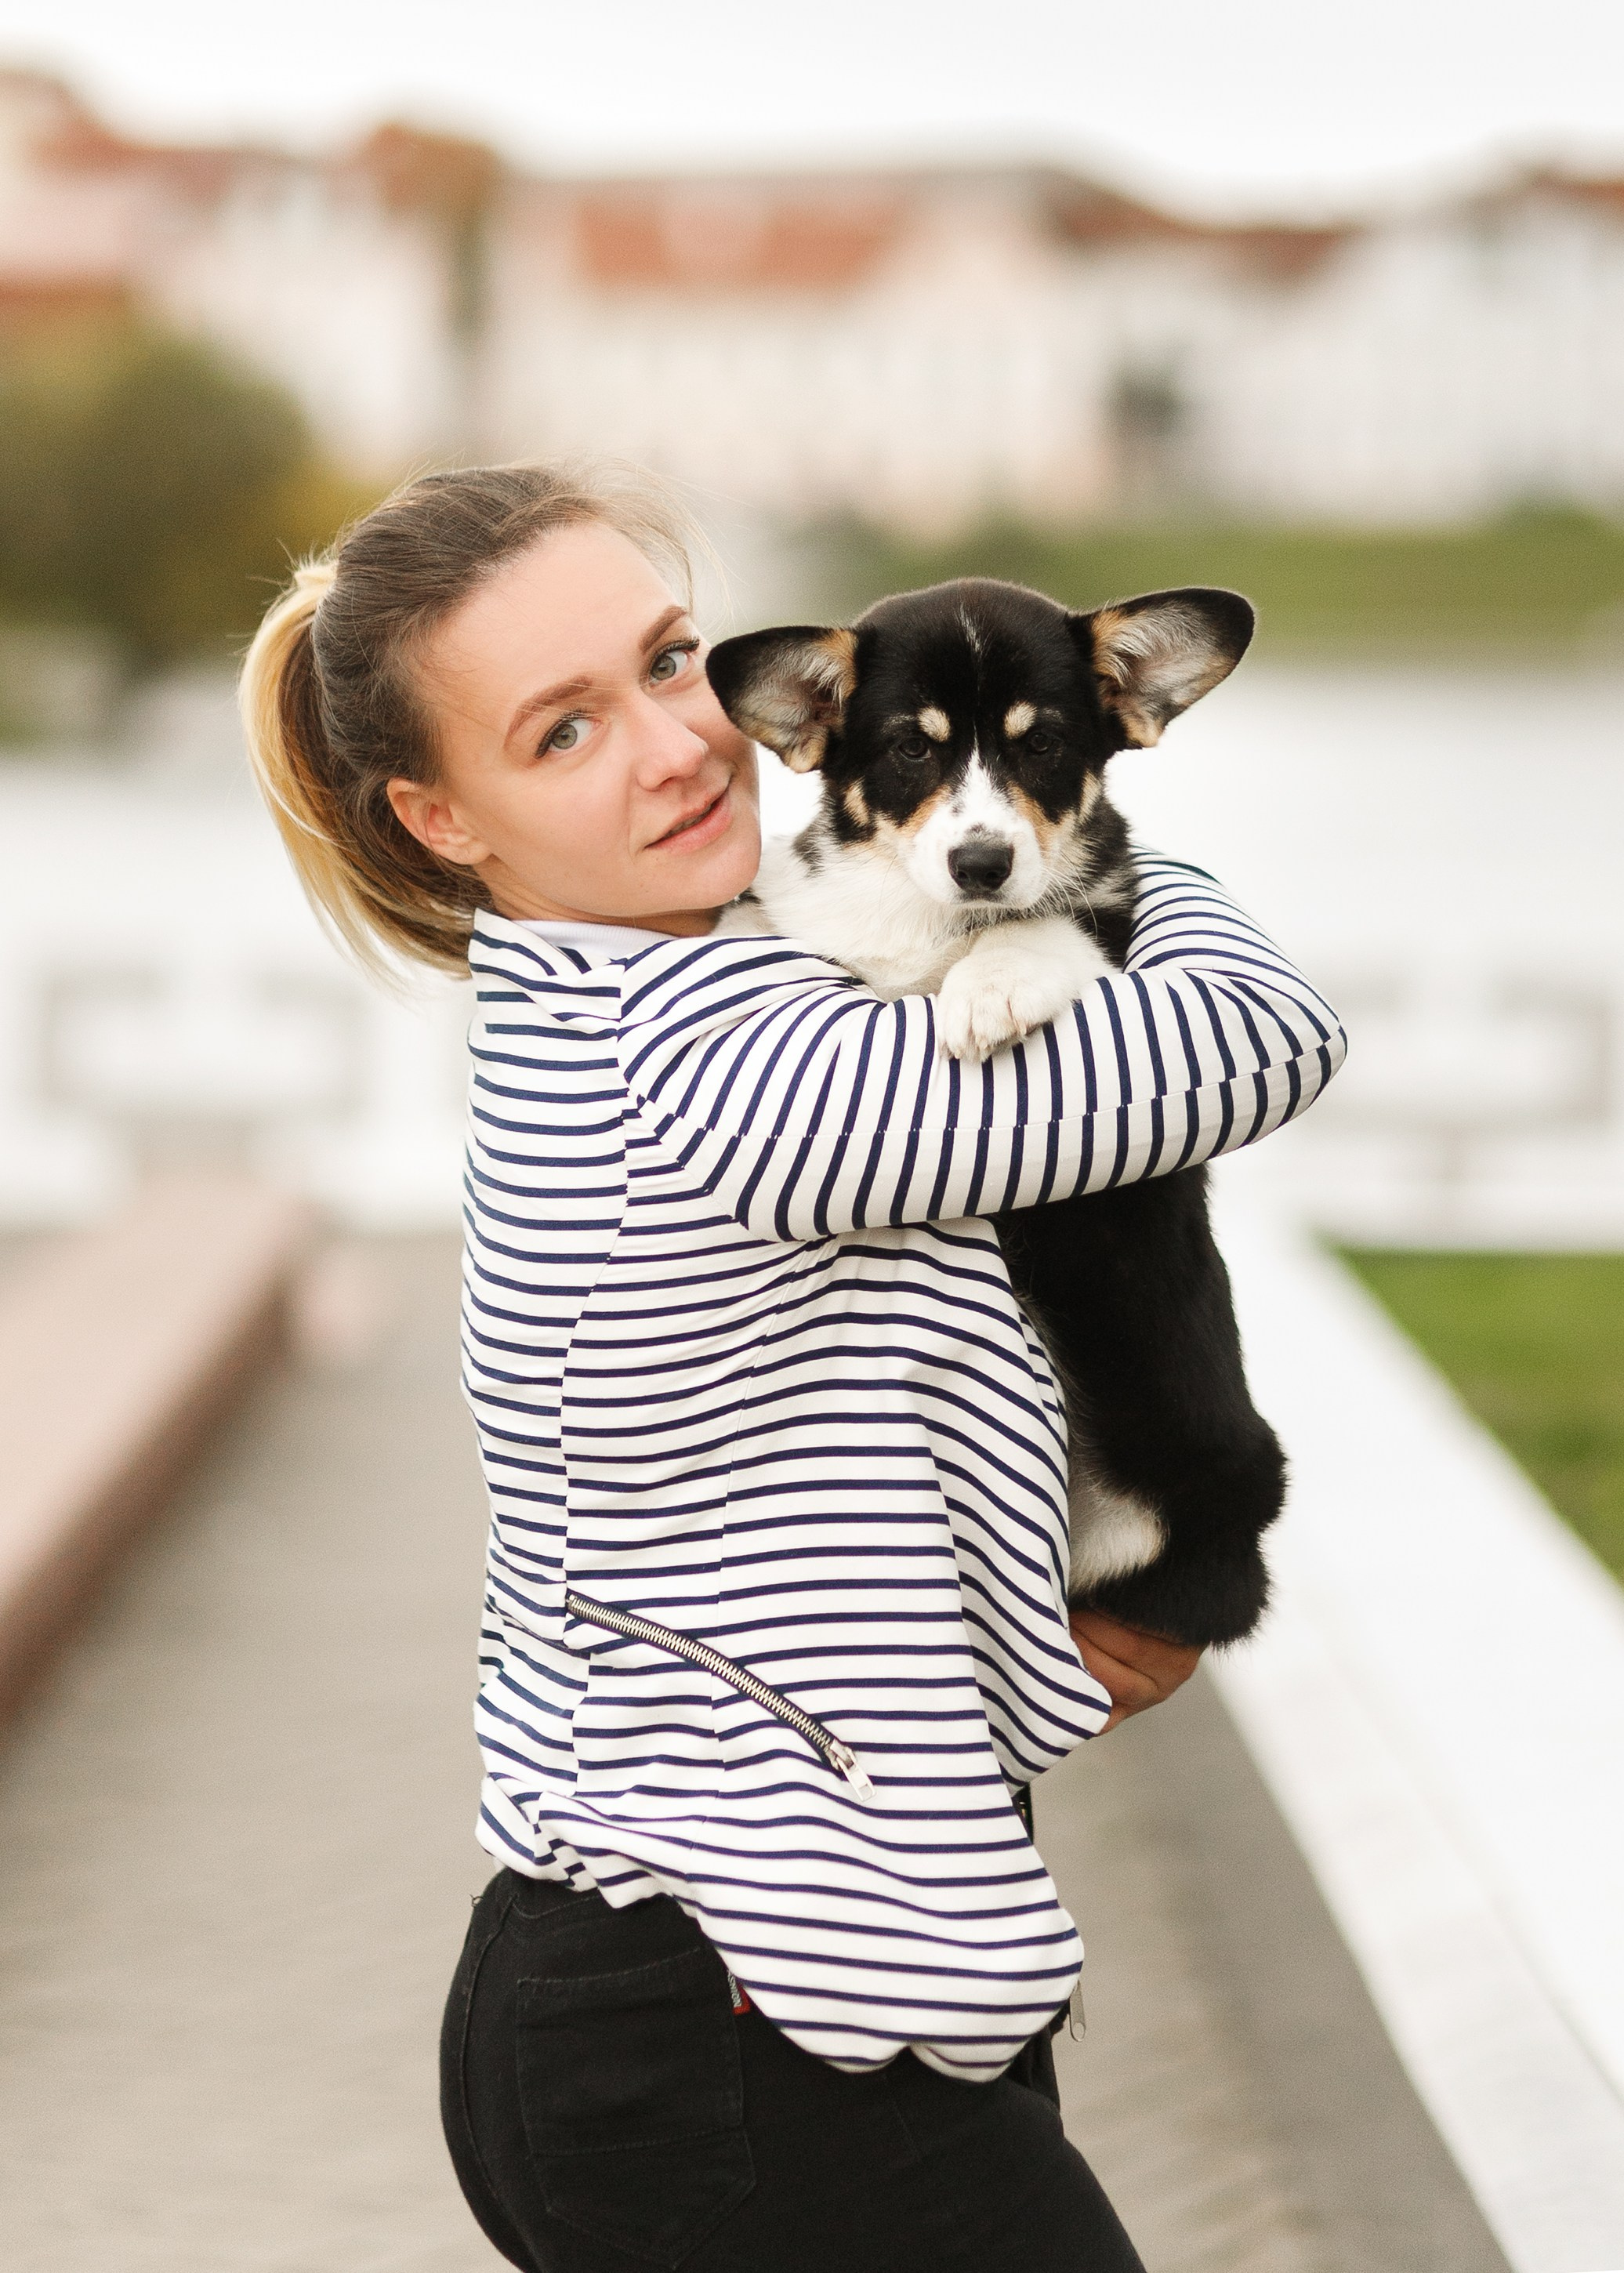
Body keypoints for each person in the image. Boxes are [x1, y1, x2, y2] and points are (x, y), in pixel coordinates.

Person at [241, 460, 1344, 2273]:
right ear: (440, 817)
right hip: (734, 2038)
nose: (675, 746)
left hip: (744, 1999)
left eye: (668, 661)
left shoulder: (693, 984)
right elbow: (1259, 1034)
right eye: (563, 730)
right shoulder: (731, 1084)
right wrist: (1084, 850)